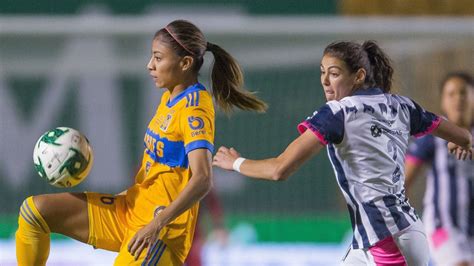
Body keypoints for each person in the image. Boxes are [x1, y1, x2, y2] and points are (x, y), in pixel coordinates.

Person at [15, 19, 267, 266]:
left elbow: (202, 178)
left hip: (159, 235)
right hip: (130, 210)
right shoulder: (170, 97)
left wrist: (156, 225)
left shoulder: (194, 109)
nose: (150, 65)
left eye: (158, 58)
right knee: (34, 212)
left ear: (185, 63)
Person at [212, 41, 473, 265]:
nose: (325, 81)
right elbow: (464, 135)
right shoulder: (402, 105)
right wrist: (457, 140)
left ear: (359, 76)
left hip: (388, 240)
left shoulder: (339, 113)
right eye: (322, 72)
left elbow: (279, 169)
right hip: (382, 238)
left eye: (334, 73)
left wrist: (236, 163)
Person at [405, 72, 473, 266]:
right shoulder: (432, 135)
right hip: (441, 228)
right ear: (443, 102)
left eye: (463, 93)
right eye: (451, 94)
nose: (458, 99)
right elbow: (403, 181)